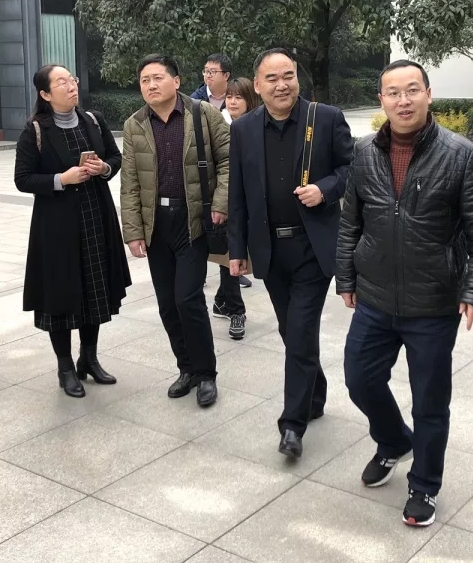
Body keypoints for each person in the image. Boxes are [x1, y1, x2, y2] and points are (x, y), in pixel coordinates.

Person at [337, 60, 473, 528]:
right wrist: (346, 276)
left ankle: (424, 484)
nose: (403, 100)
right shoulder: (364, 151)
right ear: (381, 99)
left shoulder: (461, 154)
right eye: (393, 92)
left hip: (432, 303)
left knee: (429, 402)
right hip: (374, 297)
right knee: (359, 379)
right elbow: (351, 219)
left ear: (428, 94)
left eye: (412, 90)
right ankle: (393, 441)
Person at [227, 48, 354, 459]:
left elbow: (352, 169)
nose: (282, 85)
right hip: (269, 250)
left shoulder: (326, 118)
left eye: (288, 76)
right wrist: (236, 250)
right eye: (272, 78)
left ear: (297, 78)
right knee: (291, 331)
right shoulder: (243, 128)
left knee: (299, 332)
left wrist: (325, 189)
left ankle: (292, 426)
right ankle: (315, 392)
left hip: (312, 248)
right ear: (257, 84)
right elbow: (237, 194)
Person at [14, 64, 131, 397]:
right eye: (62, 82)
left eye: (72, 80)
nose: (71, 86)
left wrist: (103, 167)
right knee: (61, 294)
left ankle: (88, 359)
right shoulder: (35, 130)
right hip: (57, 226)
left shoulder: (92, 120)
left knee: (95, 290)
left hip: (96, 216)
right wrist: (60, 179)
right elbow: (23, 179)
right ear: (45, 94)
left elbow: (115, 157)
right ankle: (65, 367)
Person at [120, 54, 230, 408]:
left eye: (158, 78)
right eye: (144, 80)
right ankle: (186, 368)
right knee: (167, 303)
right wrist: (133, 231)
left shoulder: (203, 114)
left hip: (192, 219)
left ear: (177, 81)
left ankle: (206, 373)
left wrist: (220, 203)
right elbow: (130, 182)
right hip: (156, 225)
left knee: (187, 298)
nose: (151, 85)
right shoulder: (135, 124)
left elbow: (229, 161)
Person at [210, 76, 259, 338]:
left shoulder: (259, 125)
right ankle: (236, 310)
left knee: (237, 255)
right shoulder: (219, 125)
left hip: (254, 202)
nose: (232, 101)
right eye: (229, 96)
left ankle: (221, 300)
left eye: (239, 97)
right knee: (229, 256)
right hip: (228, 201)